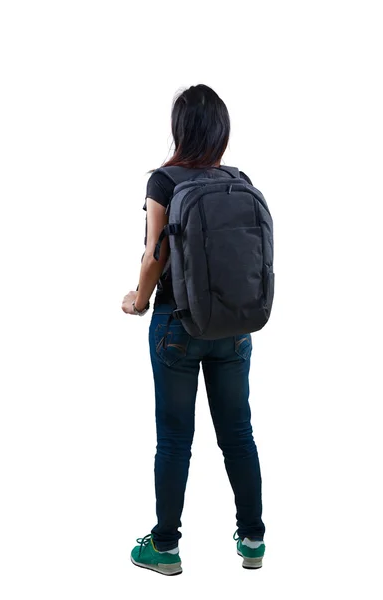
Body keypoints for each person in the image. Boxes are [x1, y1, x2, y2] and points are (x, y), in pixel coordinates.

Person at [122, 84, 266, 576]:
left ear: (179, 128)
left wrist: (137, 301)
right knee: (239, 434)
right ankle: (252, 539)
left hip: (176, 328)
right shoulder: (237, 179)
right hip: (232, 327)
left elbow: (153, 255)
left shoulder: (163, 182)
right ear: (221, 130)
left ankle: (164, 547)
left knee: (174, 439)